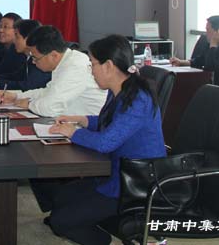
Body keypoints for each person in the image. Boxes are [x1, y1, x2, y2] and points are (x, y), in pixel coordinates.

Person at [32, 34, 166, 244]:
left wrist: (72, 132)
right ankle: (102, 219)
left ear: (109, 66)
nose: (91, 71)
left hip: (134, 183)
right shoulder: (119, 90)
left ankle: (104, 239)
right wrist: (81, 120)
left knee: (60, 222)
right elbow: (109, 122)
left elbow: (105, 142)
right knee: (60, 197)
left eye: (92, 64)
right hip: (114, 171)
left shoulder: (138, 99)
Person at [0, 25, 105, 117]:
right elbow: (48, 91)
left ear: (54, 55)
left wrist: (29, 104)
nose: (33, 62)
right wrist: (17, 96)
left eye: (35, 58)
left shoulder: (75, 66)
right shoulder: (65, 61)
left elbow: (50, 107)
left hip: (89, 127)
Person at [170, 15, 219, 89]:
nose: (206, 33)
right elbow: (201, 60)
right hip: (218, 86)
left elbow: (210, 68)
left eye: (208, 30)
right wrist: (181, 62)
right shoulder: (215, 43)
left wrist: (213, 45)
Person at [0, 19, 51, 91]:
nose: (14, 41)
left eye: (17, 37)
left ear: (28, 38)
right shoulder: (29, 57)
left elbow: (29, 86)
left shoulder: (41, 59)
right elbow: (16, 76)